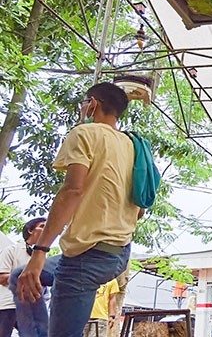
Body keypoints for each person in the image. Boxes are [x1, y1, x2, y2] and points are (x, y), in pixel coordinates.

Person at [10, 82, 145, 337]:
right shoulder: (132, 146)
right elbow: (140, 209)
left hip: (86, 258)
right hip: (117, 254)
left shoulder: (84, 134)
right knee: (21, 276)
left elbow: (72, 191)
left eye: (85, 102)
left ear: (92, 103)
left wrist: (40, 251)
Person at [0, 218, 46, 337]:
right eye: (42, 226)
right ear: (30, 230)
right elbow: (1, 277)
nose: (46, 229)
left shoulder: (43, 257)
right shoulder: (12, 250)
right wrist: (26, 279)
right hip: (8, 305)